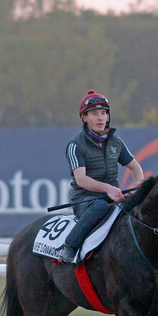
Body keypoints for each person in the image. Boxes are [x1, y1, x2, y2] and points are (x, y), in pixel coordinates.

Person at [56, 90, 144, 264]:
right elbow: (81, 179)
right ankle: (69, 247)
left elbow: (136, 169)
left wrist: (137, 191)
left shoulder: (116, 143)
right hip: (85, 201)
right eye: (94, 114)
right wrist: (108, 189)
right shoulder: (75, 145)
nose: (100, 118)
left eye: (103, 113)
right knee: (100, 207)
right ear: (84, 118)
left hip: (111, 199)